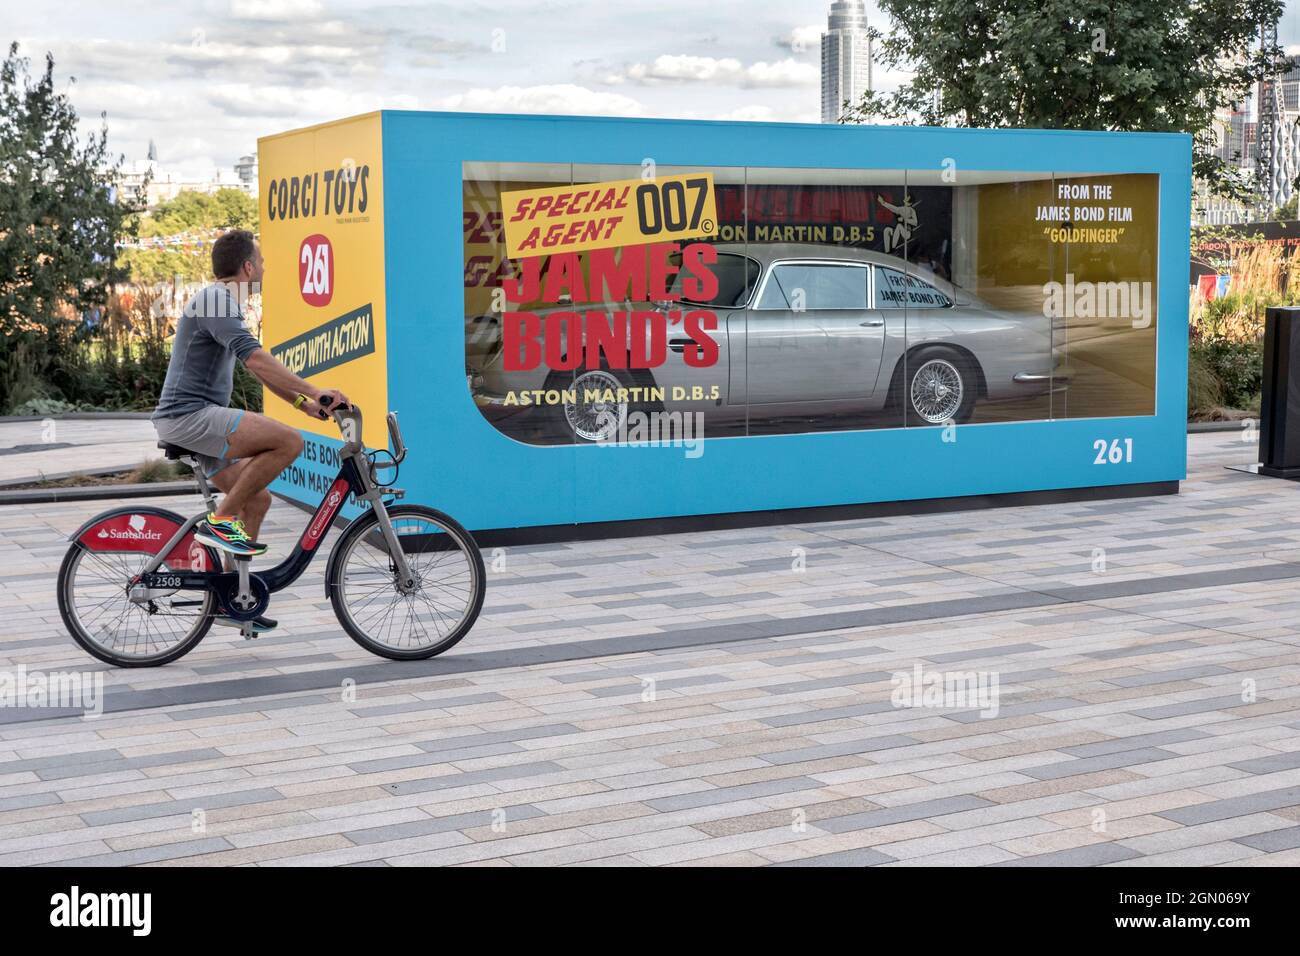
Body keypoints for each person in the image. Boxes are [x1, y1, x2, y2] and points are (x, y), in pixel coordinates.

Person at [152, 229, 349, 631]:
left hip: (197, 418)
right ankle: (221, 521)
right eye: (261, 264)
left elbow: (254, 368)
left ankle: (232, 595)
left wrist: (303, 403)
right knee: (289, 441)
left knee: (257, 500)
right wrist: (315, 389)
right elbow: (256, 358)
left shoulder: (221, 302)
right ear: (247, 267)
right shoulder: (217, 299)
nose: (263, 270)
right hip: (189, 416)